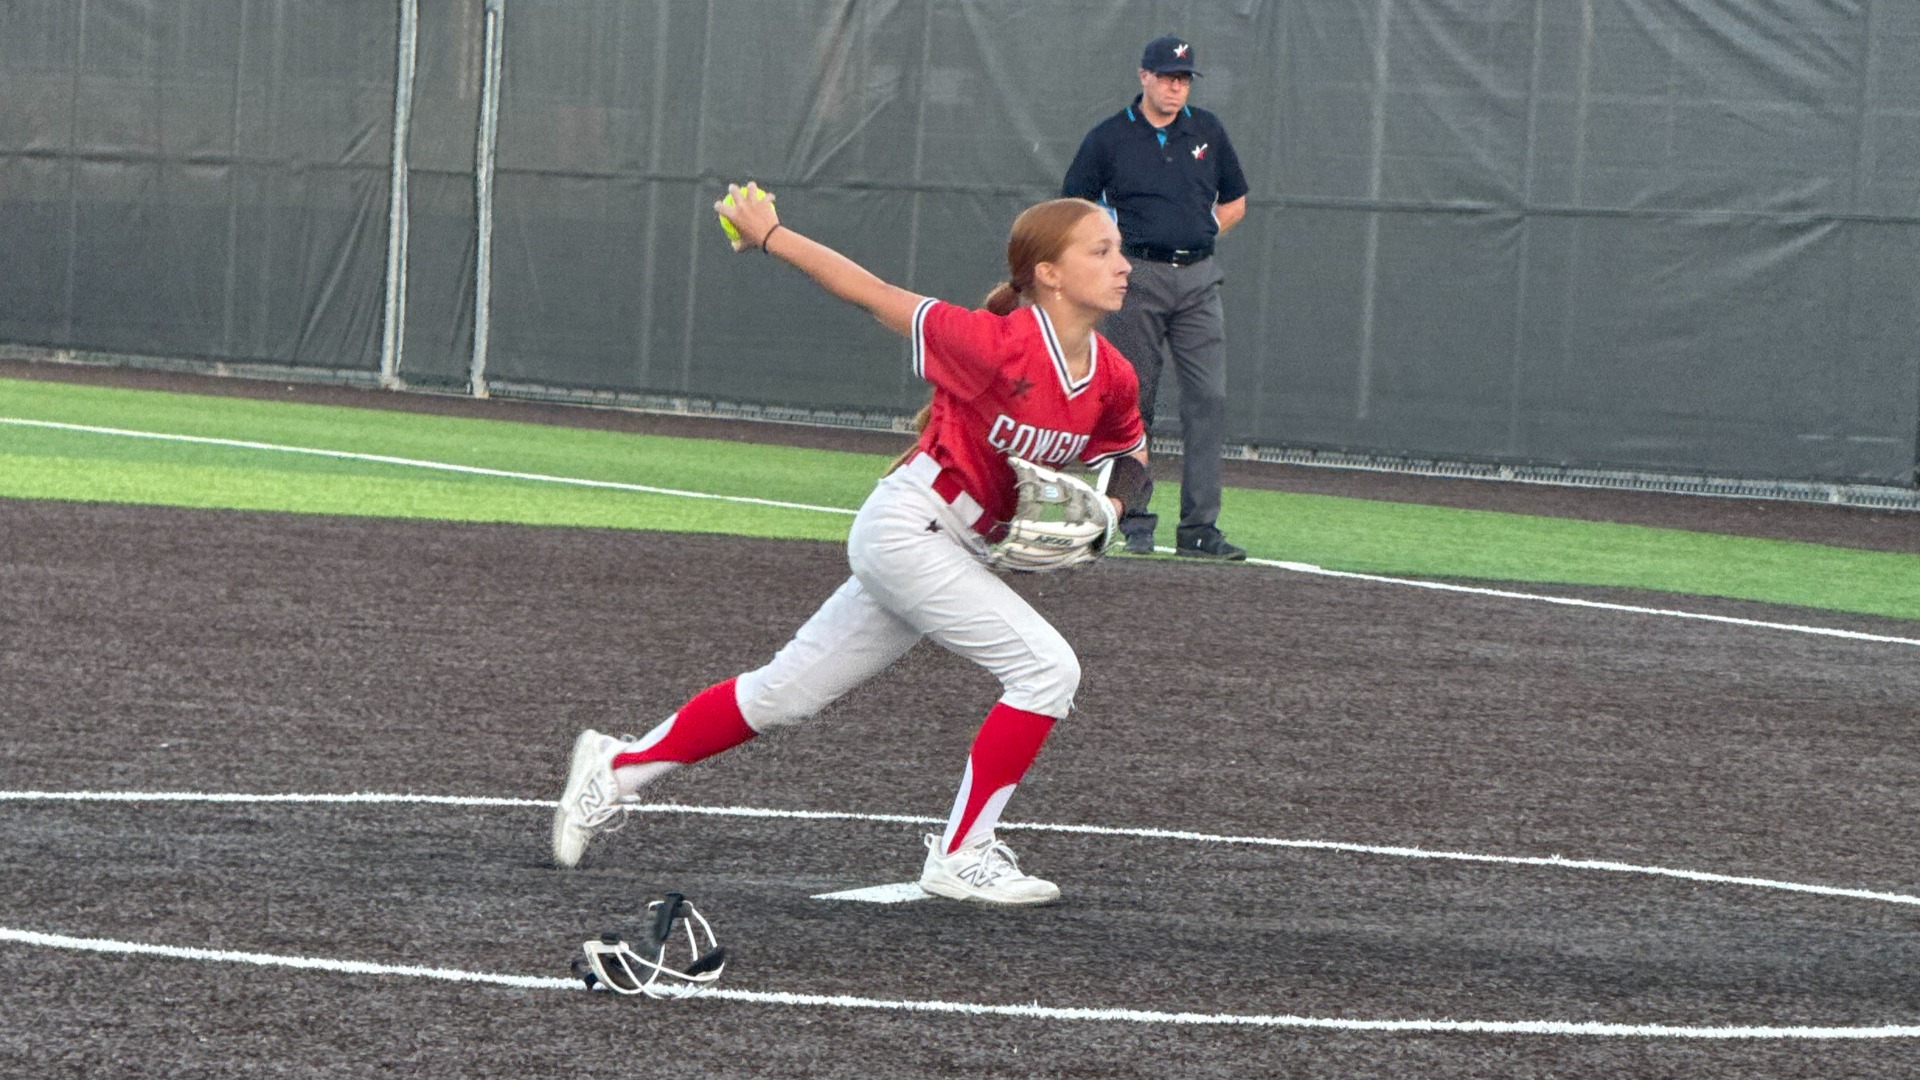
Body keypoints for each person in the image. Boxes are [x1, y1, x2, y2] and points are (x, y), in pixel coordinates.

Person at [549, 184, 1152, 906]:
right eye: (1102, 250)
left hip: (959, 545)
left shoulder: (1111, 374)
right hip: (912, 526)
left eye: (1118, 250)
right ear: (1048, 272)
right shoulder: (995, 344)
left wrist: (1113, 507)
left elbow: (1130, 455)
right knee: (1047, 670)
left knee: (785, 694)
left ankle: (617, 769)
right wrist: (773, 234)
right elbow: (872, 293)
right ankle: (963, 852)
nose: (1122, 265)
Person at [1062, 33, 1251, 560]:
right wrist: (1108, 258)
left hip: (1197, 279)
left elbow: (1234, 202)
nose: (1176, 86)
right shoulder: (1109, 138)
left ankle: (1199, 529)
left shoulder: (1207, 131)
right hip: (1134, 277)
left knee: (1207, 399)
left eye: (1184, 78)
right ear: (1143, 76)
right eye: (1168, 76)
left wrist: (1195, 232)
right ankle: (1135, 517)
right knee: (1134, 399)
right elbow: (1073, 208)